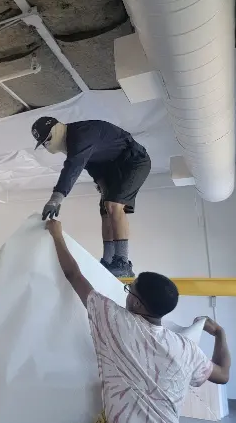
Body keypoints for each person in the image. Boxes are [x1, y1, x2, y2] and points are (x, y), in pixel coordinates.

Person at [45, 219, 231, 423]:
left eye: (129, 290)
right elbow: (222, 375)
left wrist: (56, 235)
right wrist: (220, 334)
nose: (126, 294)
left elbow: (73, 275)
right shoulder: (187, 349)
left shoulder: (115, 321)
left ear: (139, 304)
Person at [32, 117, 151, 278]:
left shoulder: (81, 134)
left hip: (134, 162)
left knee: (113, 205)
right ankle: (108, 261)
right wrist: (103, 186)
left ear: (56, 130)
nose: (47, 146)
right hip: (112, 168)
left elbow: (73, 166)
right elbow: (92, 166)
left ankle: (122, 262)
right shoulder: (73, 145)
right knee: (105, 209)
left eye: (47, 140)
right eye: (44, 143)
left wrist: (56, 198)